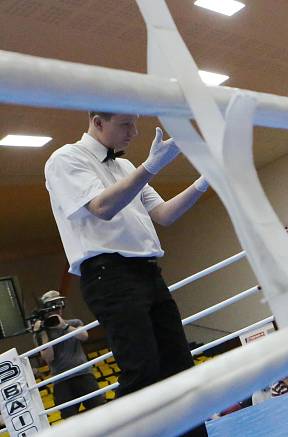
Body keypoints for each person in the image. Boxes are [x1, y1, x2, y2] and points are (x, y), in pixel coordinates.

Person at [44, 112, 209, 436]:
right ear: (97, 121)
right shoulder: (64, 159)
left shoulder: (125, 167)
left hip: (148, 273)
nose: (134, 132)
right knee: (142, 372)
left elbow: (164, 214)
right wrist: (152, 166)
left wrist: (205, 181)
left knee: (180, 369)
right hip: (109, 275)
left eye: (134, 124)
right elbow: (101, 208)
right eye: (125, 124)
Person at [32, 290, 104, 418]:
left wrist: (64, 326)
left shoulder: (74, 323)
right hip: (61, 380)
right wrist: (43, 333)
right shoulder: (41, 333)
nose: (58, 310)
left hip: (83, 374)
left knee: (99, 411)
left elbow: (84, 336)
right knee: (69, 418)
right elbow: (49, 358)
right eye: (54, 307)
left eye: (60, 306)